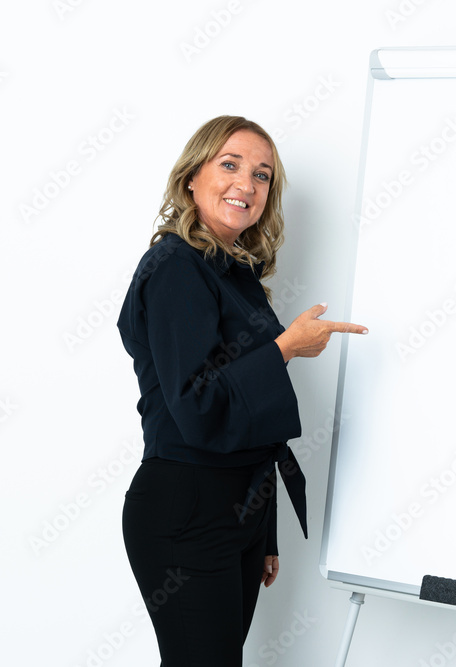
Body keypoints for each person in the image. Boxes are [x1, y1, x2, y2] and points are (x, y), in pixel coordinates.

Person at [116, 115, 367, 666]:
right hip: (186, 509)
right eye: (229, 165)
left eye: (261, 175)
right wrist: (286, 347)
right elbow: (198, 405)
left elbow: (250, 418)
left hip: (237, 510)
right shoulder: (175, 266)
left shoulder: (233, 271)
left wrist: (262, 529)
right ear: (191, 178)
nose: (246, 185)